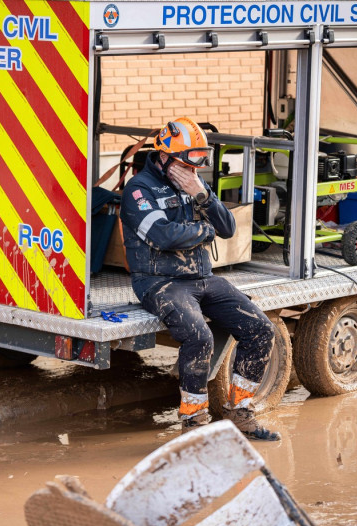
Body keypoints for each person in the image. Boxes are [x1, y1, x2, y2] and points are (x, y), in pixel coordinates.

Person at [119, 117, 280, 441]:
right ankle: (194, 423)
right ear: (163, 157)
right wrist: (204, 231)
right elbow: (163, 236)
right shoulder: (139, 189)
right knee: (199, 337)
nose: (191, 171)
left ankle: (240, 413)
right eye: (184, 163)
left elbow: (229, 228)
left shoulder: (193, 184)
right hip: (159, 282)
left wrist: (202, 194)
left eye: (195, 165)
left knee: (261, 329)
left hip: (202, 277)